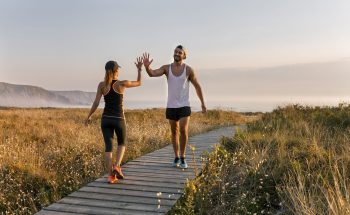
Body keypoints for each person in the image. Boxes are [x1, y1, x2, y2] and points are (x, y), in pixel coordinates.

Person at [142, 45, 206, 169]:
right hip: (171, 106)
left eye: (180, 52)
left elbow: (197, 86)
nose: (177, 54)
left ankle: (183, 157)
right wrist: (147, 67)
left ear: (184, 55)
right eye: (176, 52)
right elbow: (152, 74)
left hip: (184, 105)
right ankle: (176, 156)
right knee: (174, 131)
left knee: (183, 130)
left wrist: (202, 103)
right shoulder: (167, 68)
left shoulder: (189, 70)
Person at [85, 57, 143, 183]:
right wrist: (139, 69)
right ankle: (117, 166)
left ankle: (111, 175)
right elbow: (139, 83)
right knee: (122, 143)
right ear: (116, 70)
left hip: (105, 119)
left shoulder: (102, 85)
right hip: (118, 119)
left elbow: (96, 103)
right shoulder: (122, 84)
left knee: (108, 148)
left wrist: (88, 116)